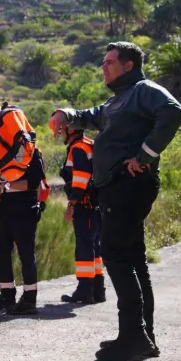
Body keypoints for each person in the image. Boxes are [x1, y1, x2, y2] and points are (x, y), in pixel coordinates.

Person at [49, 42, 181, 361]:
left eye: (110, 62)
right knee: (133, 259)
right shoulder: (117, 100)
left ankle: (134, 337)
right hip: (117, 187)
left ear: (128, 65)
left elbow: (173, 110)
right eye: (103, 62)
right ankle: (141, 336)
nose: (103, 67)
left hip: (128, 184)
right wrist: (65, 114)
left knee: (114, 253)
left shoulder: (142, 90)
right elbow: (88, 116)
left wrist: (146, 155)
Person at [0, 145, 48, 315]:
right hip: (4, 210)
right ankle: (7, 294)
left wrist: (7, 186)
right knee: (2, 253)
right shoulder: (1, 149)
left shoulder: (31, 151)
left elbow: (34, 182)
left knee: (26, 254)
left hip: (24, 210)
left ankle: (29, 299)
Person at [59, 126, 106, 305]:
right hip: (95, 205)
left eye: (62, 129)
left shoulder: (78, 148)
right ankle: (98, 290)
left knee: (85, 247)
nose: (59, 132)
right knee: (95, 247)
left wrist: (72, 204)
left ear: (70, 129)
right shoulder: (89, 144)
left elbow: (80, 179)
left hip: (84, 206)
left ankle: (85, 291)